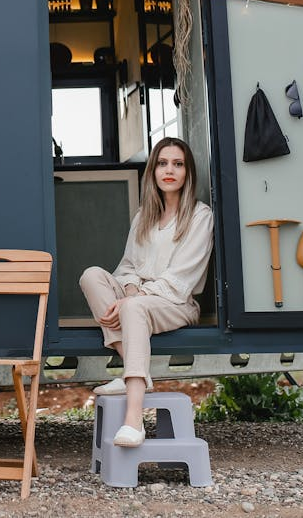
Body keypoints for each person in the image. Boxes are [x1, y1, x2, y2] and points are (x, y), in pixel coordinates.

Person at [79, 137, 213, 447]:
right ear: (152, 171)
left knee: (132, 308)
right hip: (139, 299)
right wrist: (128, 289)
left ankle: (134, 419)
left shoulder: (199, 216)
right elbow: (126, 267)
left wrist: (133, 298)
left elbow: (181, 279)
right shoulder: (144, 217)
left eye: (178, 164)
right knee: (92, 277)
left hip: (177, 303)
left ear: (187, 173)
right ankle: (135, 370)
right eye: (163, 164)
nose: (170, 170)